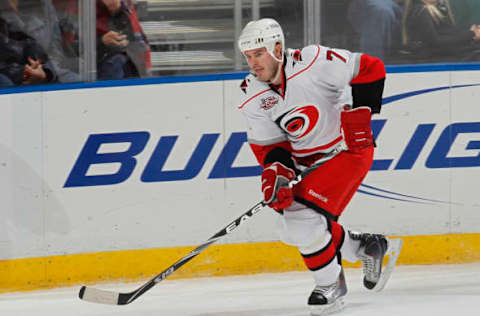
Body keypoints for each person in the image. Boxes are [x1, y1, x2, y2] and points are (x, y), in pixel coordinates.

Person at [235, 18, 400, 315]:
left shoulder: (313, 61)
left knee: (300, 221)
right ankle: (365, 246)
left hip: (347, 152)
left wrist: (362, 113)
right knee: (290, 228)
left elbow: (370, 67)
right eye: (247, 56)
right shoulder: (252, 92)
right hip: (307, 164)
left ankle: (330, 285)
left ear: (277, 48)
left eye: (258, 53)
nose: (253, 62)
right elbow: (269, 145)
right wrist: (277, 171)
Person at [402, 0, 480, 62]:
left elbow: (448, 35)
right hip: (431, 60)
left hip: (440, 56)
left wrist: (471, 33)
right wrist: (471, 34)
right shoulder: (421, 10)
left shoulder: (437, 10)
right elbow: (435, 42)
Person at [96, 0, 152, 80]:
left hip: (131, 64)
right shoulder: (82, 7)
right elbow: (75, 49)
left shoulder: (125, 5)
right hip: (102, 67)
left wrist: (117, 10)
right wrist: (101, 41)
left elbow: (139, 41)